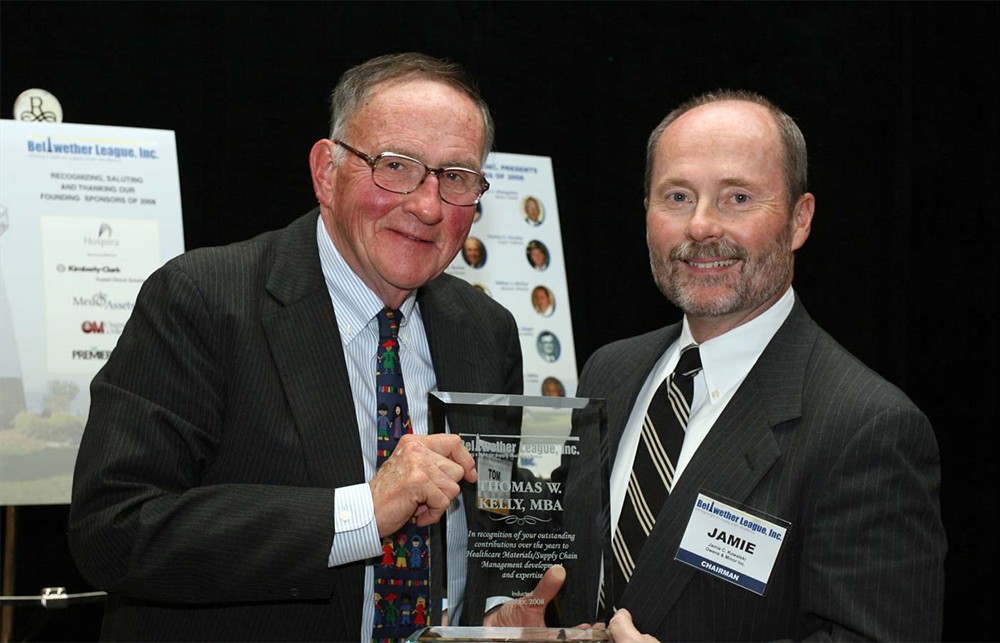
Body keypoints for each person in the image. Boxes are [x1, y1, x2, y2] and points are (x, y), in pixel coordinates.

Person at [67, 53, 531, 642]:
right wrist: (363, 511)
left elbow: (496, 518)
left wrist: (499, 606)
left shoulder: (486, 329)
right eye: (395, 166)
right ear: (326, 172)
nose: (428, 206)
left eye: (457, 178)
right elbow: (115, 530)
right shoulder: (204, 300)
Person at [570, 90, 946, 641]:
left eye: (738, 198)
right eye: (677, 196)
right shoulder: (610, 370)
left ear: (799, 220)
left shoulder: (869, 427)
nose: (700, 227)